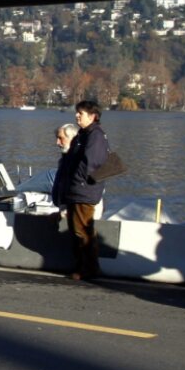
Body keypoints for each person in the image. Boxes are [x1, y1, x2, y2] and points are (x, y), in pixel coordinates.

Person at [51, 101, 108, 280]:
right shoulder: (83, 134)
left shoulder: (95, 136)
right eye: (77, 113)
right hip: (77, 190)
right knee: (79, 230)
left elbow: (91, 163)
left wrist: (77, 180)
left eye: (80, 113)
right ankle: (85, 267)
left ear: (92, 116)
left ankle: (88, 269)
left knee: (82, 230)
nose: (77, 116)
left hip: (84, 191)